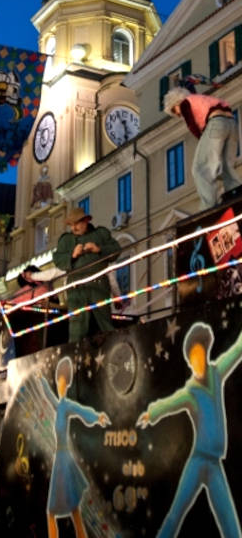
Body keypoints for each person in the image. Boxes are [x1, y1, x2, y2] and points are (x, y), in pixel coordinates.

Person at [137, 322, 242, 537]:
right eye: (191, 358)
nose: (196, 362)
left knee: (230, 523)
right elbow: (170, 402)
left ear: (205, 352)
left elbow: (236, 351)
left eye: (198, 354)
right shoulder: (190, 392)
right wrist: (152, 412)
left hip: (214, 465)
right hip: (197, 461)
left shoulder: (216, 373)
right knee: (176, 513)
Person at [41, 357, 110, 538]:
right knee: (72, 509)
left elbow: (82, 411)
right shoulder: (60, 405)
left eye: (63, 382)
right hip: (62, 459)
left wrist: (97, 417)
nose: (60, 386)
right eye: (58, 382)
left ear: (68, 384)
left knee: (54, 511)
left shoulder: (67, 405)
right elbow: (49, 396)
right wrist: (41, 379)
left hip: (63, 461)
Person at [163, 87, 240, 209]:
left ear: (176, 102)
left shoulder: (185, 103)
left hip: (215, 124)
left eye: (174, 110)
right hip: (231, 123)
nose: (177, 115)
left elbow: (192, 126)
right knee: (227, 166)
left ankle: (208, 206)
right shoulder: (201, 99)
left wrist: (202, 140)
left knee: (200, 168)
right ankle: (235, 193)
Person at [52, 207, 121, 342]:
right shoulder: (66, 240)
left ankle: (113, 347)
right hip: (76, 289)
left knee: (104, 321)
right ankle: (75, 353)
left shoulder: (100, 234)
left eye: (76, 223)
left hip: (98, 285)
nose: (74, 228)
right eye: (71, 225)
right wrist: (72, 255)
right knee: (77, 327)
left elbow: (116, 250)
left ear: (86, 221)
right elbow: (58, 259)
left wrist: (99, 249)